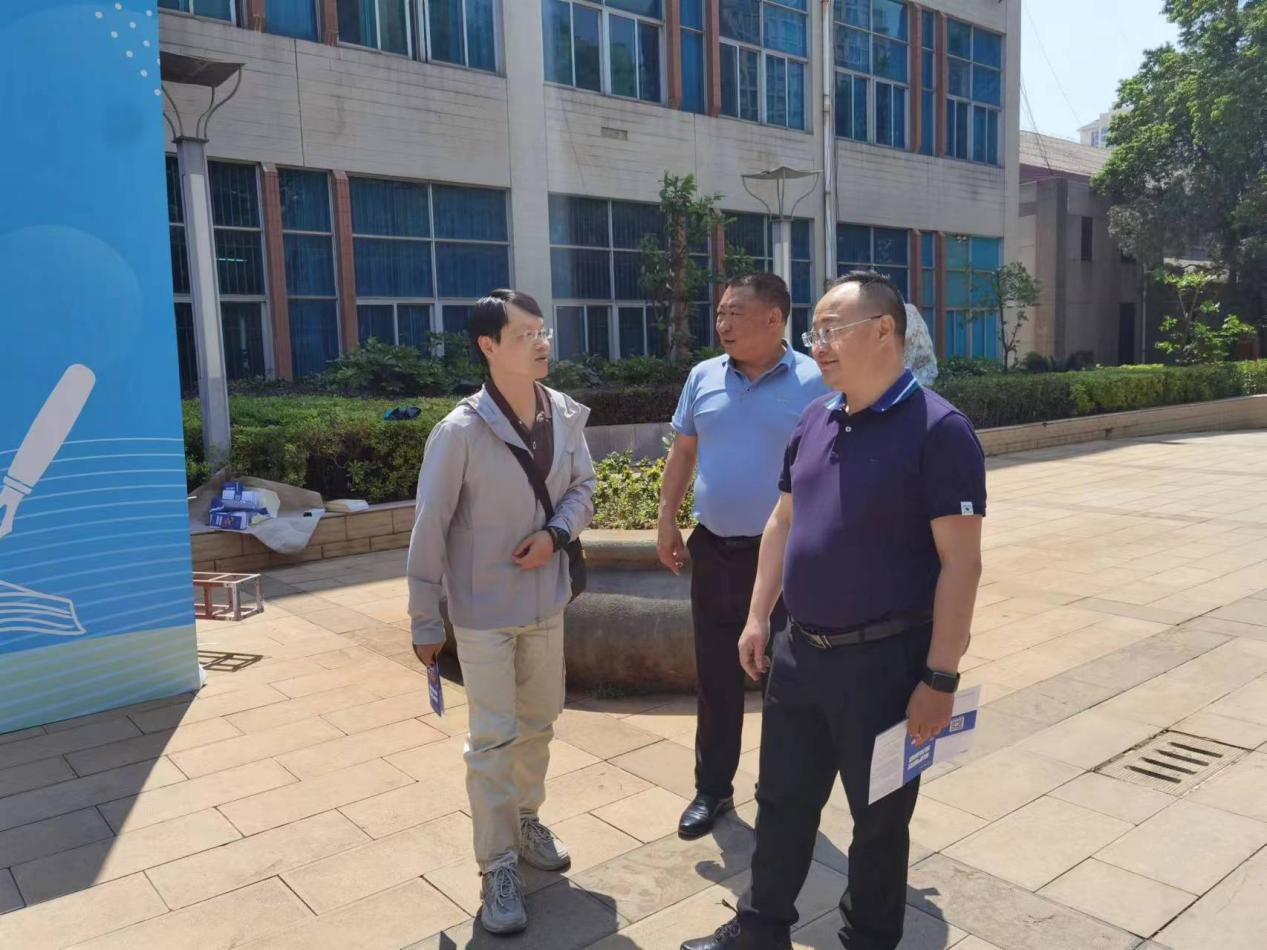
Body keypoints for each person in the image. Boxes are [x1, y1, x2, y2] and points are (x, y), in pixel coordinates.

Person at [682, 272, 986, 950]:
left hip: (885, 665)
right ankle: (761, 928)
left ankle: (868, 939)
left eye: (830, 331)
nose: (816, 345)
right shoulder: (816, 419)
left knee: (878, 819)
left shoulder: (940, 431)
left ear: (883, 331)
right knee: (781, 800)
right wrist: (758, 617)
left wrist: (939, 677)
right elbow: (782, 520)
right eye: (812, 332)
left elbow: (961, 564)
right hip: (799, 653)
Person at [407, 289, 595, 936]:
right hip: (483, 610)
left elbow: (583, 487)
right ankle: (497, 866)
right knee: (492, 739)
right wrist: (424, 620)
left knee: (539, 724)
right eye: (524, 335)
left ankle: (525, 820)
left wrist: (555, 535)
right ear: (488, 346)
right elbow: (429, 528)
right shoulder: (459, 431)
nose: (541, 343)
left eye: (542, 331)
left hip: (547, 601)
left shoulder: (564, 414)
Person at [657, 273, 828, 840]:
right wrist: (667, 518)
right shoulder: (703, 376)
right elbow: (684, 452)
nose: (722, 324)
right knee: (716, 677)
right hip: (715, 551)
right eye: (720, 313)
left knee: (787, 682)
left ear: (775, 319)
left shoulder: (816, 380)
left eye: (735, 313)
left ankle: (782, 793)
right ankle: (712, 789)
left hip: (787, 558)